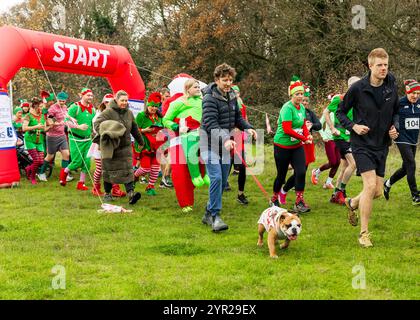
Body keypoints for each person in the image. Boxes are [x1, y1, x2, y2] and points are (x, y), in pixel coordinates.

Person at [336, 48, 400, 248]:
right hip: (361, 144)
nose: (383, 69)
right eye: (379, 65)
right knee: (370, 185)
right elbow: (340, 112)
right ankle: (364, 234)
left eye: (386, 65)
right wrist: (353, 126)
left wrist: (394, 127)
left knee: (378, 192)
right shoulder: (358, 88)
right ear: (370, 66)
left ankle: (353, 202)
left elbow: (396, 111)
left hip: (382, 145)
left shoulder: (391, 85)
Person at [200, 63, 257, 232]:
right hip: (209, 143)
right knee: (216, 178)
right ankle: (215, 216)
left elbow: (237, 117)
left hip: (225, 145)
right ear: (216, 79)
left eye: (230, 80)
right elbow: (210, 123)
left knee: (223, 181)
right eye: (225, 80)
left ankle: (208, 212)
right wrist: (226, 138)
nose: (228, 83)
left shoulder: (232, 96)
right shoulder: (209, 98)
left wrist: (248, 127)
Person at [163, 80, 209, 212]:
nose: (198, 89)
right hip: (180, 140)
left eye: (199, 87)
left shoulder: (203, 101)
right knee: (180, 173)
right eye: (195, 87)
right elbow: (165, 119)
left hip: (201, 137)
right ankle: (185, 202)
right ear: (187, 89)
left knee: (201, 164)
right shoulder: (177, 102)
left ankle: (198, 182)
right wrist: (177, 126)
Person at [93, 90, 144, 205]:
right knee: (109, 171)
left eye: (126, 100)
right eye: (122, 100)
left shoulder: (129, 113)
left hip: (125, 147)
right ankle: (107, 193)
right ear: (116, 100)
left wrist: (140, 141)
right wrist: (109, 131)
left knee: (128, 171)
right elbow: (97, 125)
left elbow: (134, 128)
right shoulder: (108, 112)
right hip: (111, 147)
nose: (124, 102)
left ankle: (131, 194)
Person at [271, 78, 313, 213]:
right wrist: (303, 138)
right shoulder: (286, 108)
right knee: (281, 176)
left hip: (296, 146)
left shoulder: (301, 107)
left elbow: (303, 124)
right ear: (291, 95)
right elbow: (287, 129)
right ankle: (274, 198)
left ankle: (299, 201)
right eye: (297, 94)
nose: (300, 96)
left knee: (301, 171)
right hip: (282, 146)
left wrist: (307, 135)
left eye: (302, 94)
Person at [279, 84, 321, 208]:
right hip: (297, 144)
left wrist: (311, 126)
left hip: (307, 144)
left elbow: (318, 125)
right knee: (299, 171)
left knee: (301, 172)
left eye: (306, 100)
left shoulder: (308, 113)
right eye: (302, 98)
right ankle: (294, 197)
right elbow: (288, 127)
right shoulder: (291, 109)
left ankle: (285, 191)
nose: (304, 101)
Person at [320, 77, 360, 205]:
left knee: (344, 167)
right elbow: (326, 112)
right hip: (340, 137)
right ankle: (340, 192)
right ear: (350, 87)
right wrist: (332, 128)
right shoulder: (339, 99)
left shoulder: (359, 102)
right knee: (353, 164)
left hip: (350, 138)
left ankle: (335, 195)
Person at [384, 79, 420, 205]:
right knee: (411, 164)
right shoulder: (399, 103)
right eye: (412, 93)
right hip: (401, 137)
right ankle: (415, 196)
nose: (415, 96)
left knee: (406, 168)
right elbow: (392, 117)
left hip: (413, 139)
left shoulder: (419, 103)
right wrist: (393, 127)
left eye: (417, 93)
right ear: (407, 92)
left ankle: (388, 183)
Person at [60, 88, 95, 190]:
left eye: (91, 95)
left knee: (87, 162)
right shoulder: (75, 107)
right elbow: (65, 122)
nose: (90, 97)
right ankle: (64, 174)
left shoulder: (93, 109)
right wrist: (78, 126)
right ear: (81, 95)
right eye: (88, 95)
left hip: (88, 140)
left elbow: (94, 123)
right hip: (75, 139)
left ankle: (81, 183)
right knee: (76, 162)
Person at [134, 92, 166, 196]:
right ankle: (133, 177)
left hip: (156, 145)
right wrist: (144, 130)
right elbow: (134, 130)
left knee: (155, 168)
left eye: (156, 106)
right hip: (144, 145)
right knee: (145, 168)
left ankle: (150, 187)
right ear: (147, 105)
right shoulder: (141, 115)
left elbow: (163, 128)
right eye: (151, 106)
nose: (153, 108)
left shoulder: (159, 117)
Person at [88, 93, 114, 196]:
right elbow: (96, 128)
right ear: (104, 102)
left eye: (111, 102)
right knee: (100, 168)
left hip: (111, 143)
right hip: (100, 143)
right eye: (107, 102)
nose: (109, 104)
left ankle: (114, 189)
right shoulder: (99, 114)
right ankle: (96, 187)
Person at [311, 101, 340, 189]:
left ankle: (328, 182)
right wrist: (323, 136)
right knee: (332, 162)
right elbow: (319, 126)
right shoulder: (327, 112)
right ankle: (316, 171)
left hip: (338, 139)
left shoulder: (341, 112)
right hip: (329, 139)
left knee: (338, 162)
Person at [229, 85, 250, 204]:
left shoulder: (241, 105)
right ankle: (218, 194)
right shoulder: (225, 105)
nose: (235, 94)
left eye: (237, 92)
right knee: (225, 166)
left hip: (238, 139)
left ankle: (240, 194)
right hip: (225, 138)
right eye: (233, 92)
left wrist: (246, 130)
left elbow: (243, 120)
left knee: (242, 166)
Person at [22, 97, 47, 184]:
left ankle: (28, 168)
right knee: (36, 160)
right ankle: (32, 178)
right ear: (35, 106)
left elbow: (44, 128)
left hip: (39, 140)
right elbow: (24, 128)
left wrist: (51, 126)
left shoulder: (42, 116)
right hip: (30, 140)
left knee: (41, 161)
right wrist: (36, 127)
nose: (42, 108)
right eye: (40, 106)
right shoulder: (28, 116)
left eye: (42, 106)